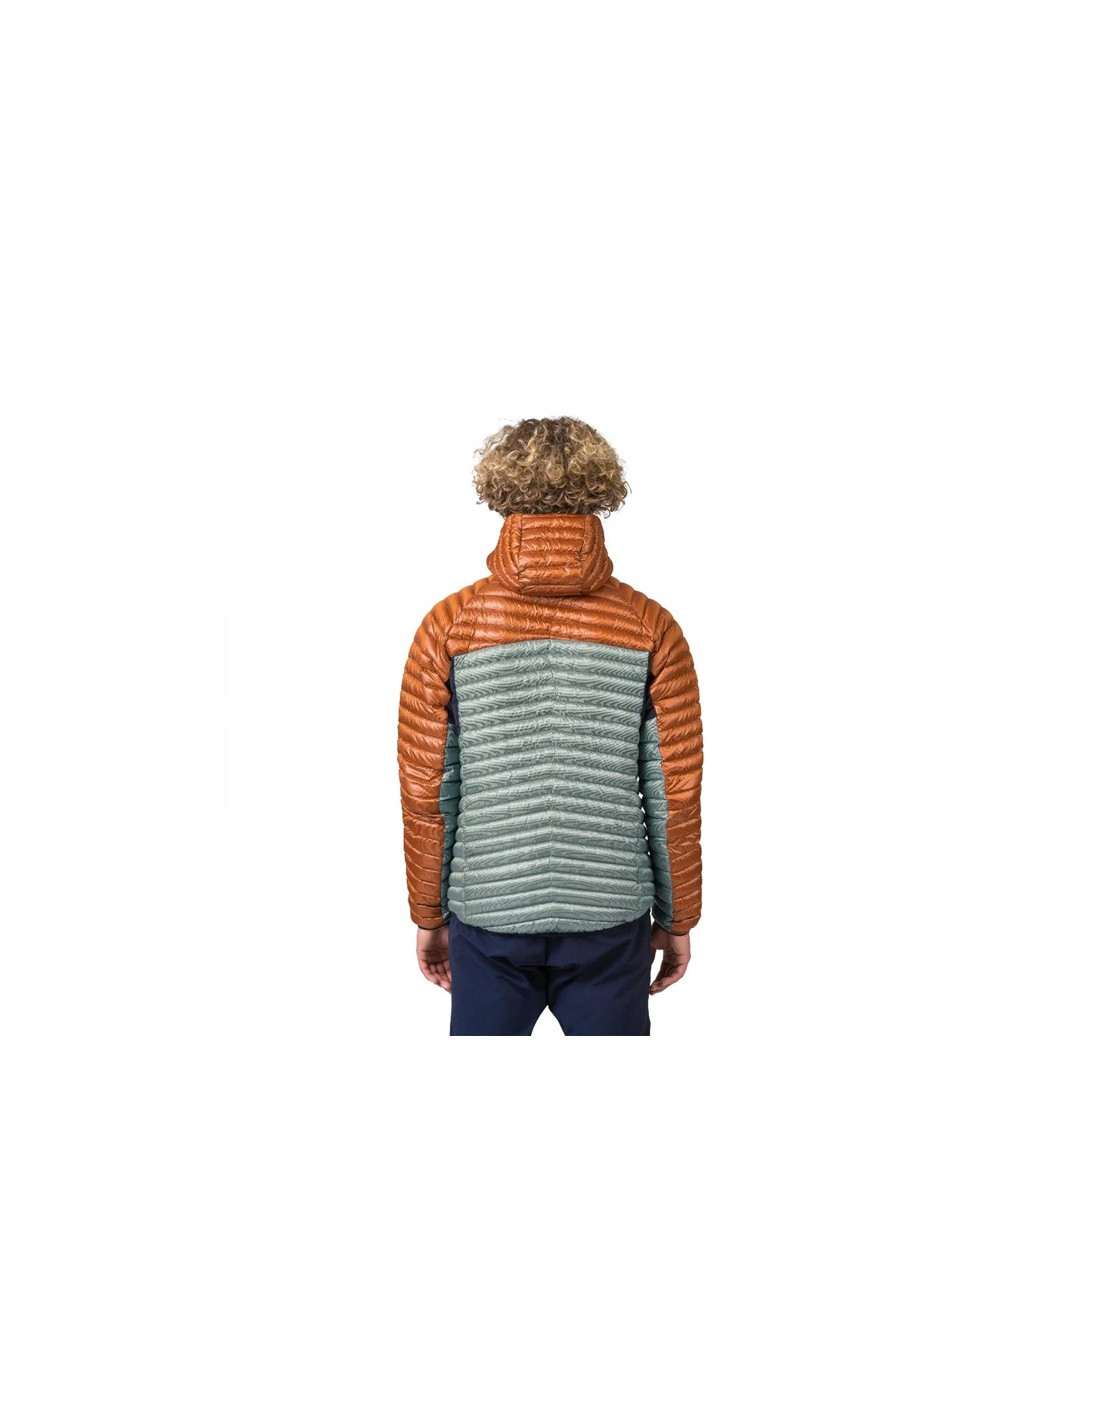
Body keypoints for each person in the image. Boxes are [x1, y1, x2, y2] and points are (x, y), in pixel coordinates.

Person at [396, 417, 703, 1036]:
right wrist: (679, 919)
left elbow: (426, 789)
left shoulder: (449, 626)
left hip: (488, 910)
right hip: (608, 915)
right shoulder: (651, 626)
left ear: (498, 490)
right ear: (602, 489)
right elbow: (675, 793)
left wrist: (428, 915)